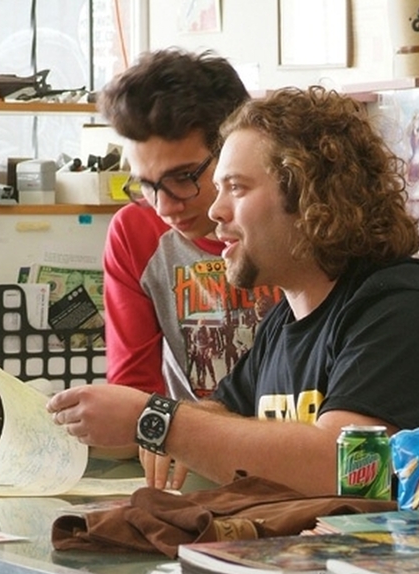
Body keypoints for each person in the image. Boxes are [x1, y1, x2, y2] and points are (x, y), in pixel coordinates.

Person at [48, 86, 419, 501]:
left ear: (312, 196)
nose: (215, 210)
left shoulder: (408, 310)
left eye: (236, 188)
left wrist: (157, 420)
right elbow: (220, 418)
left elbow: (343, 468)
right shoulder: (286, 322)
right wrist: (95, 421)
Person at [94, 48, 282, 485]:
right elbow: (134, 395)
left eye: (183, 178)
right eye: (147, 185)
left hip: (296, 463)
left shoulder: (289, 229)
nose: (165, 207)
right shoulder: (136, 233)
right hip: (192, 468)